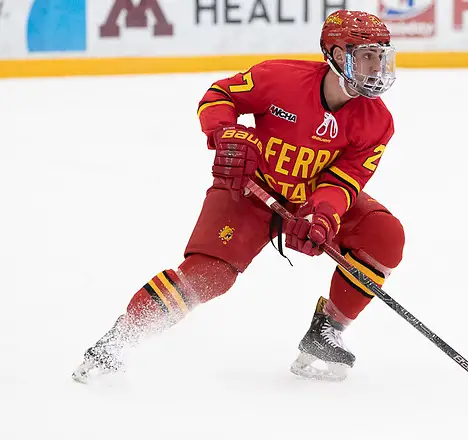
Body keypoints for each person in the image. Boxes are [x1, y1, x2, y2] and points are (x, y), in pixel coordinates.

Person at [72, 9, 405, 383]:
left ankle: (326, 332)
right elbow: (219, 95)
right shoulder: (279, 79)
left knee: (384, 235)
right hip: (248, 190)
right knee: (209, 275)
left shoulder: (377, 121)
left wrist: (323, 214)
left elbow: (346, 179)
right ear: (337, 53)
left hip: (307, 197)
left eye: (381, 56)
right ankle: (121, 338)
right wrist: (225, 134)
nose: (377, 67)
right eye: (366, 56)